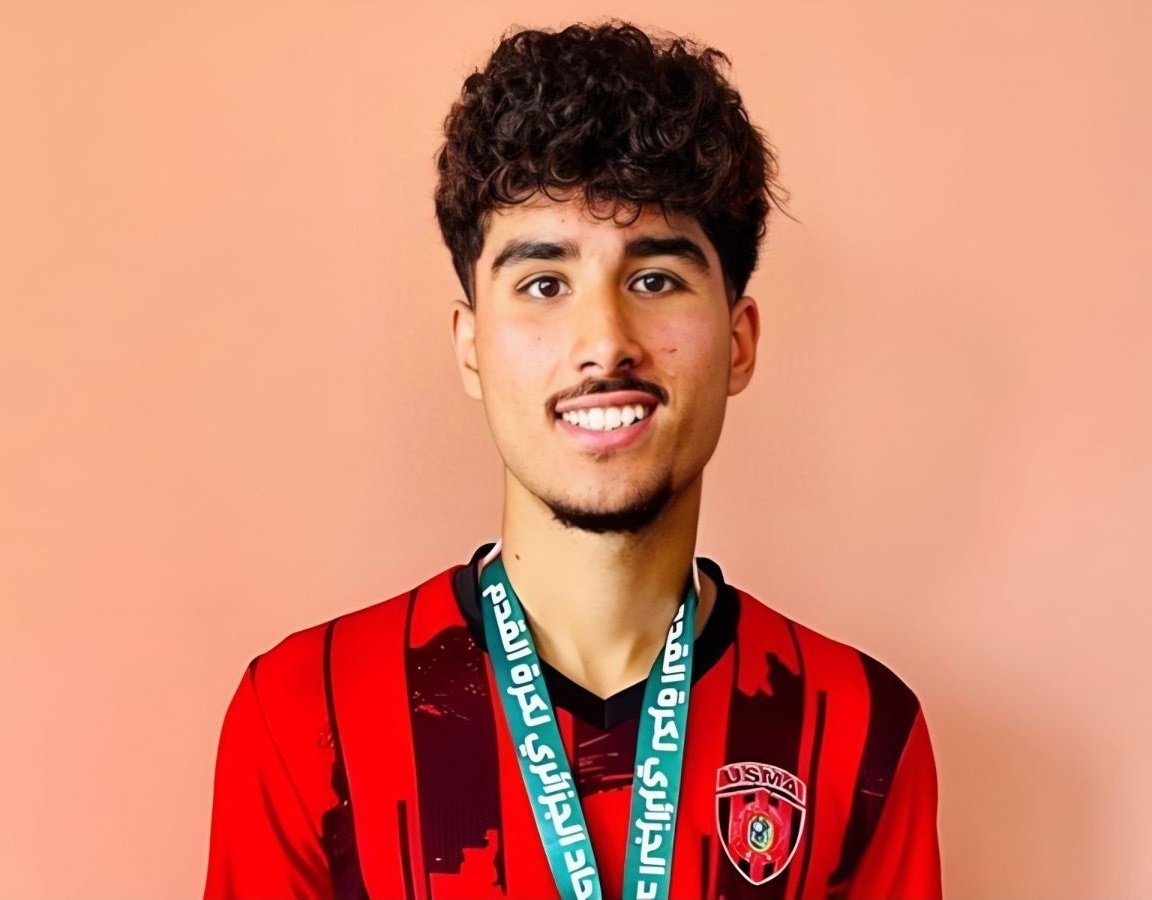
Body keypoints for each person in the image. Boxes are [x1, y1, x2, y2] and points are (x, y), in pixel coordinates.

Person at [203, 21, 941, 900]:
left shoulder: (860, 727)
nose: (604, 341)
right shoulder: (303, 715)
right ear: (471, 347)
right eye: (544, 283)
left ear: (738, 341)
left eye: (654, 279)